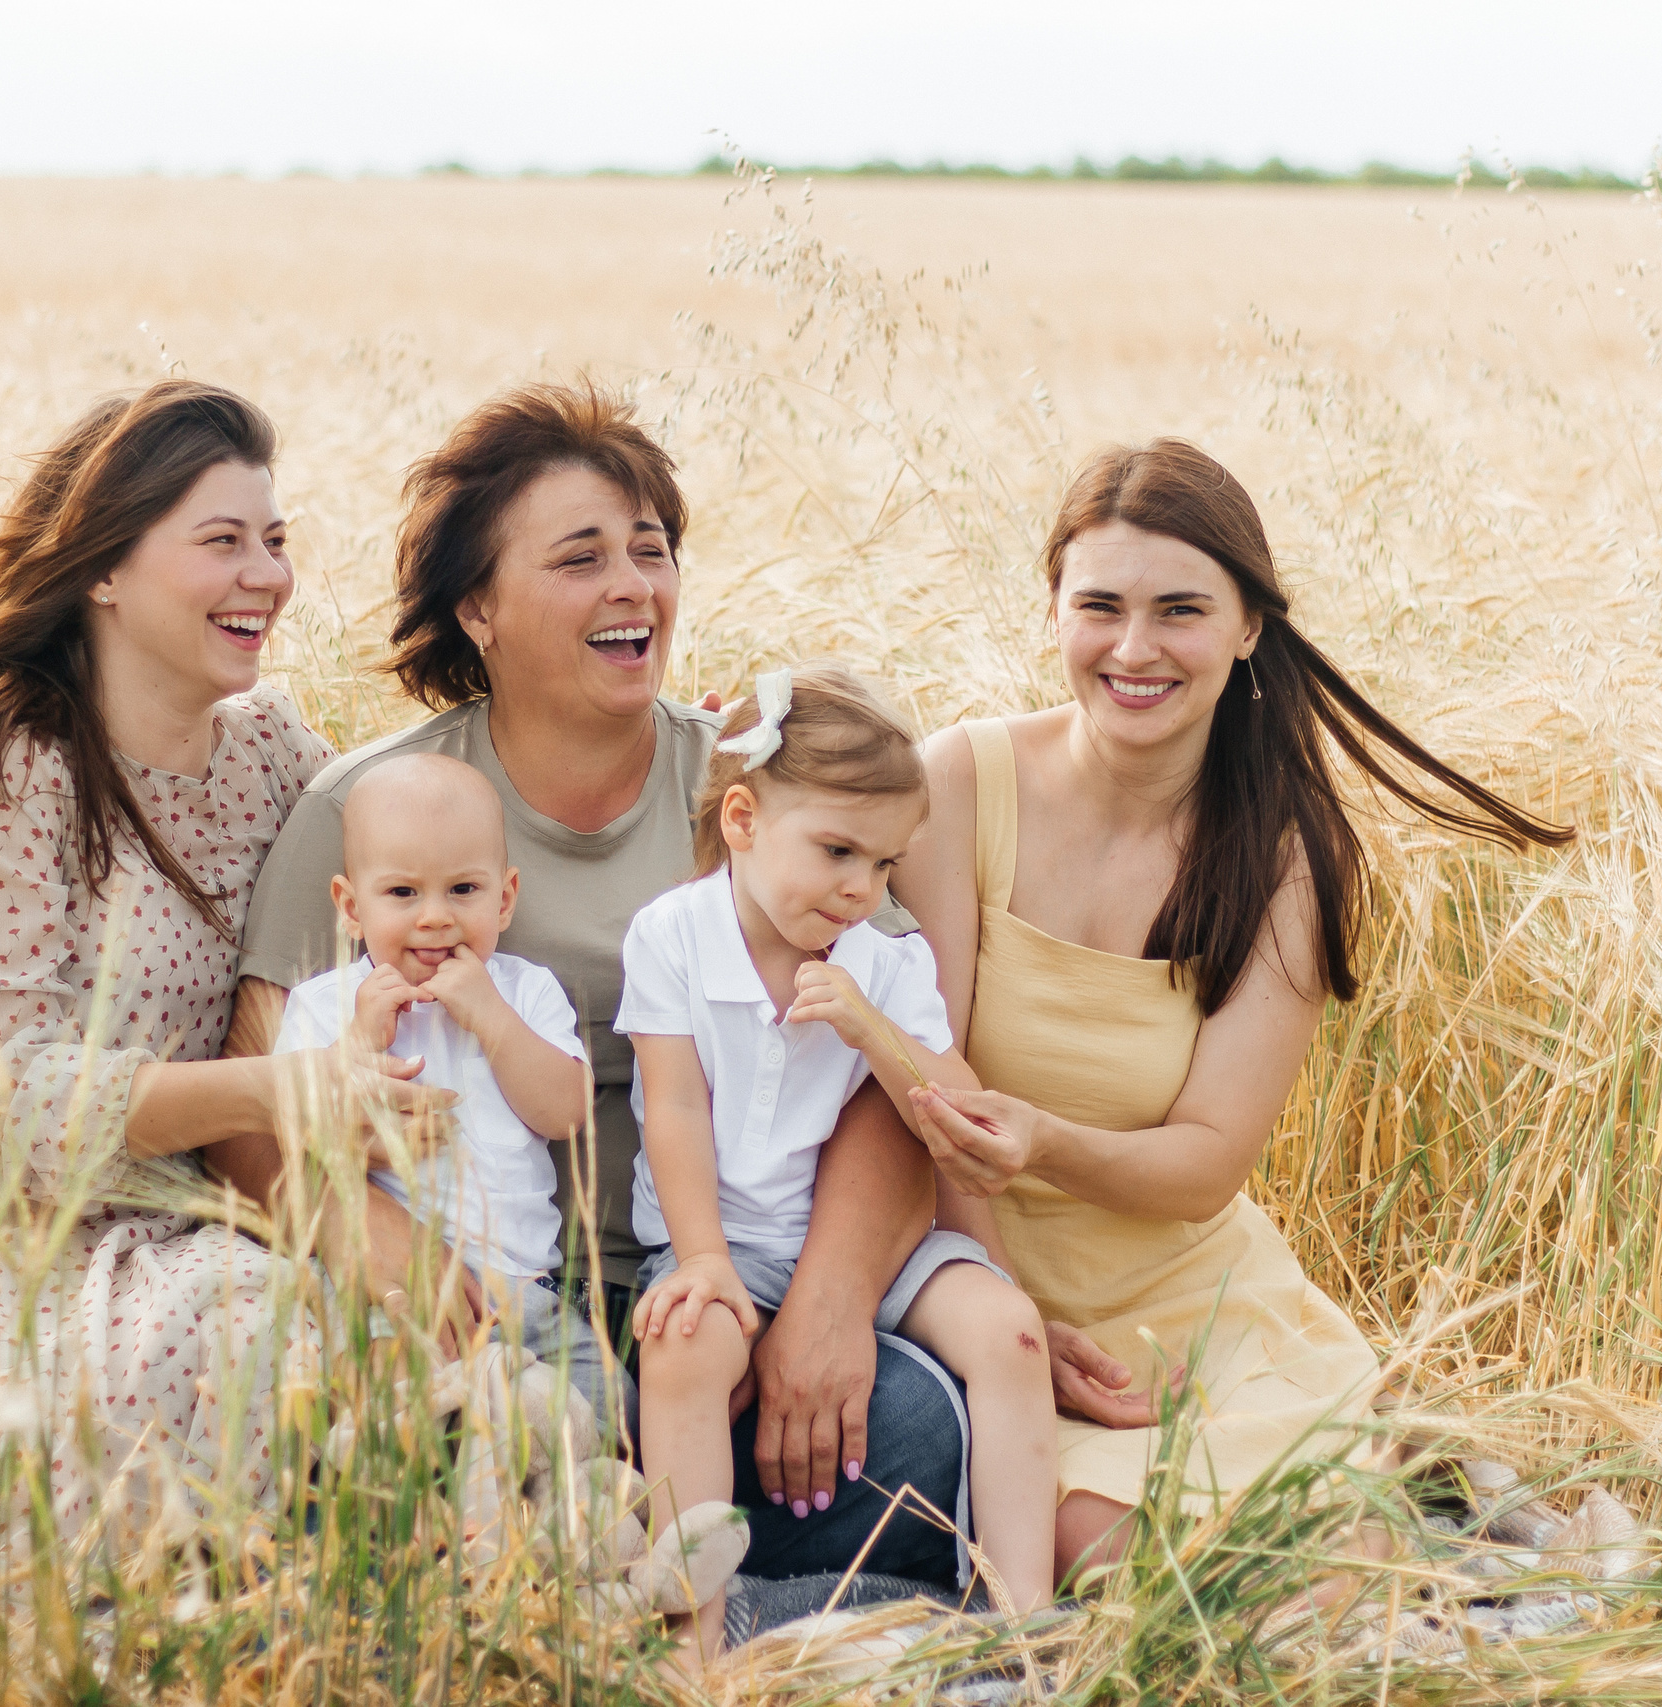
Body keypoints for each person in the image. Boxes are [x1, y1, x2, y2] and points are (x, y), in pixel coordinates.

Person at [213, 383, 979, 1583]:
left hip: (717, 1295)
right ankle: (638, 1566)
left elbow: (886, 1071)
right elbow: (260, 1114)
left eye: (652, 551)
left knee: (919, 1434)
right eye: (580, 558)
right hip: (478, 1298)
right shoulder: (371, 813)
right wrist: (400, 1262)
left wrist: (827, 1305)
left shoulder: (752, 782)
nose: (633, 585)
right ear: (479, 606)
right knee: (353, 1449)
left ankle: (626, 1562)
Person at [891, 438, 1576, 1584]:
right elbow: (927, 1091)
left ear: (1248, 626)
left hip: (1189, 1301)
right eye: (1098, 605)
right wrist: (1008, 1317)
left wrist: (1045, 1138)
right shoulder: (956, 785)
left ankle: (1391, 1475)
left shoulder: (1284, 857)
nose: (1134, 647)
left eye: (1180, 611)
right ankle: (1404, 1481)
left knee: (1232, 1558)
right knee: (1092, 1546)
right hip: (980, 1281)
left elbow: (1207, 1163)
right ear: (1053, 608)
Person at [0, 380, 447, 1552]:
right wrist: (274, 1094)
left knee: (302, 1345)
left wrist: (659, 763)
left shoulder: (270, 750)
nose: (268, 576)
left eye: (276, 541)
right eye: (223, 542)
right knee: (62, 1451)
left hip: (162, 1226)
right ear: (103, 570)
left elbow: (427, 863)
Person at [623, 665, 1058, 1631]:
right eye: (837, 851)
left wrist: (875, 1032)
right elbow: (674, 1112)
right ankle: (694, 1635)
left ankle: (1026, 1620)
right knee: (684, 1347)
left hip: (869, 1252)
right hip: (723, 1237)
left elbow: (959, 1115)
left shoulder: (882, 962)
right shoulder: (672, 939)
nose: (863, 887)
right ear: (742, 820)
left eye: (887, 864)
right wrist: (702, 1259)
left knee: (1011, 1331)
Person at [272, 753, 622, 1422]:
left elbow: (565, 1110)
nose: (435, 917)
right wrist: (358, 1046)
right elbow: (298, 1134)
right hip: (394, 1296)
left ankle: (584, 1505)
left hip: (529, 1297)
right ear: (350, 906)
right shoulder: (324, 1006)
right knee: (403, 1406)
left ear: (505, 897)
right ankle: (450, 1495)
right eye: (403, 893)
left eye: (463, 890)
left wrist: (491, 1016)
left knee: (612, 1405)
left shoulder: (524, 991)